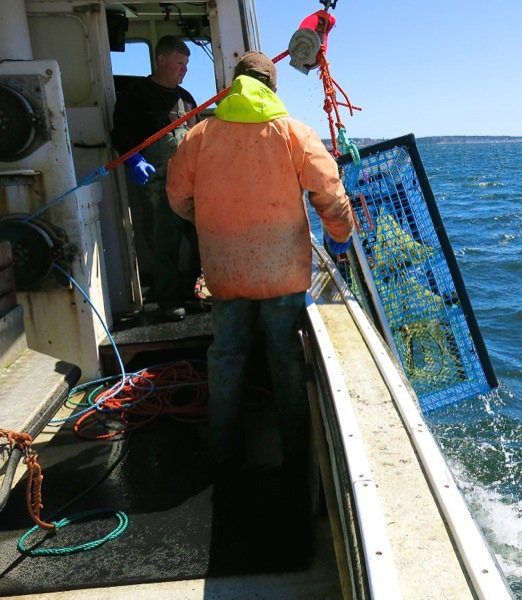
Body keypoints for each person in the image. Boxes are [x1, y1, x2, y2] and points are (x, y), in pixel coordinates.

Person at [165, 51, 353, 523]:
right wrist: (341, 235)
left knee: (226, 356)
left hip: (225, 273)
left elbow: (177, 195)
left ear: (234, 84)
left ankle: (220, 451)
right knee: (285, 358)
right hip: (282, 273)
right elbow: (329, 194)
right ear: (271, 87)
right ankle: (295, 456)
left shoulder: (199, 135)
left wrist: (208, 224)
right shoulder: (293, 133)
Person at [111, 35, 201, 321]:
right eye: (180, 63)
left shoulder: (187, 99)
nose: (185, 69)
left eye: (186, 64)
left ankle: (195, 291)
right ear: (161, 60)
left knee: (203, 237)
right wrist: (134, 161)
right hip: (156, 186)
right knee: (164, 244)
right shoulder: (135, 96)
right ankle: (169, 299)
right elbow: (121, 134)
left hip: (190, 184)